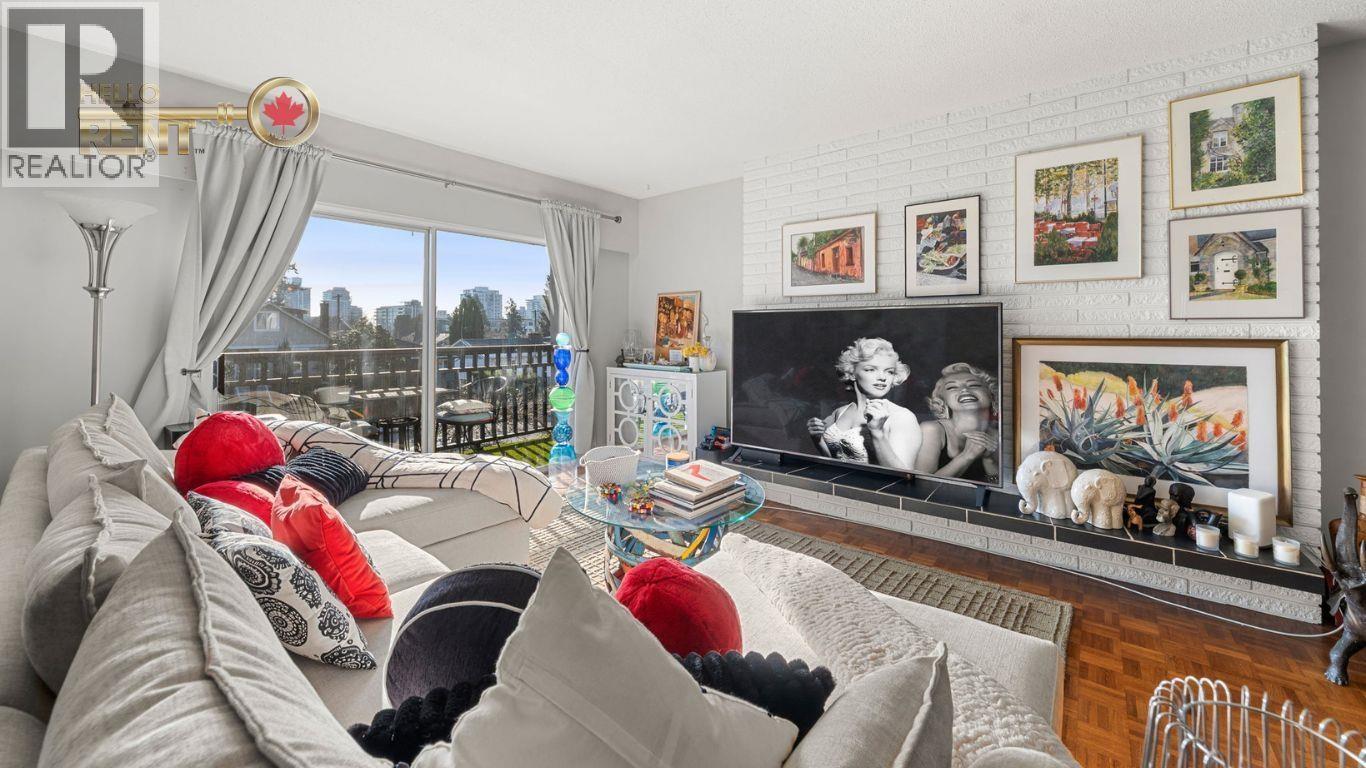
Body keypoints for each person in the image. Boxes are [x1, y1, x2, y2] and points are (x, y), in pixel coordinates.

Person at [806, 338, 921, 469]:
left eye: (889, 371)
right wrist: (818, 440)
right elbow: (835, 461)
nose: (882, 377)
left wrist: (877, 433)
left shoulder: (902, 417)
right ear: (852, 373)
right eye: (871, 369)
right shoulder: (841, 411)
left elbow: (904, 475)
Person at [914, 363, 999, 482]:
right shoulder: (932, 430)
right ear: (942, 401)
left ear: (992, 396)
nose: (964, 389)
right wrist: (967, 456)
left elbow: (997, 486)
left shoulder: (998, 436)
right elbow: (922, 484)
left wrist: (989, 459)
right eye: (952, 387)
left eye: (974, 385)